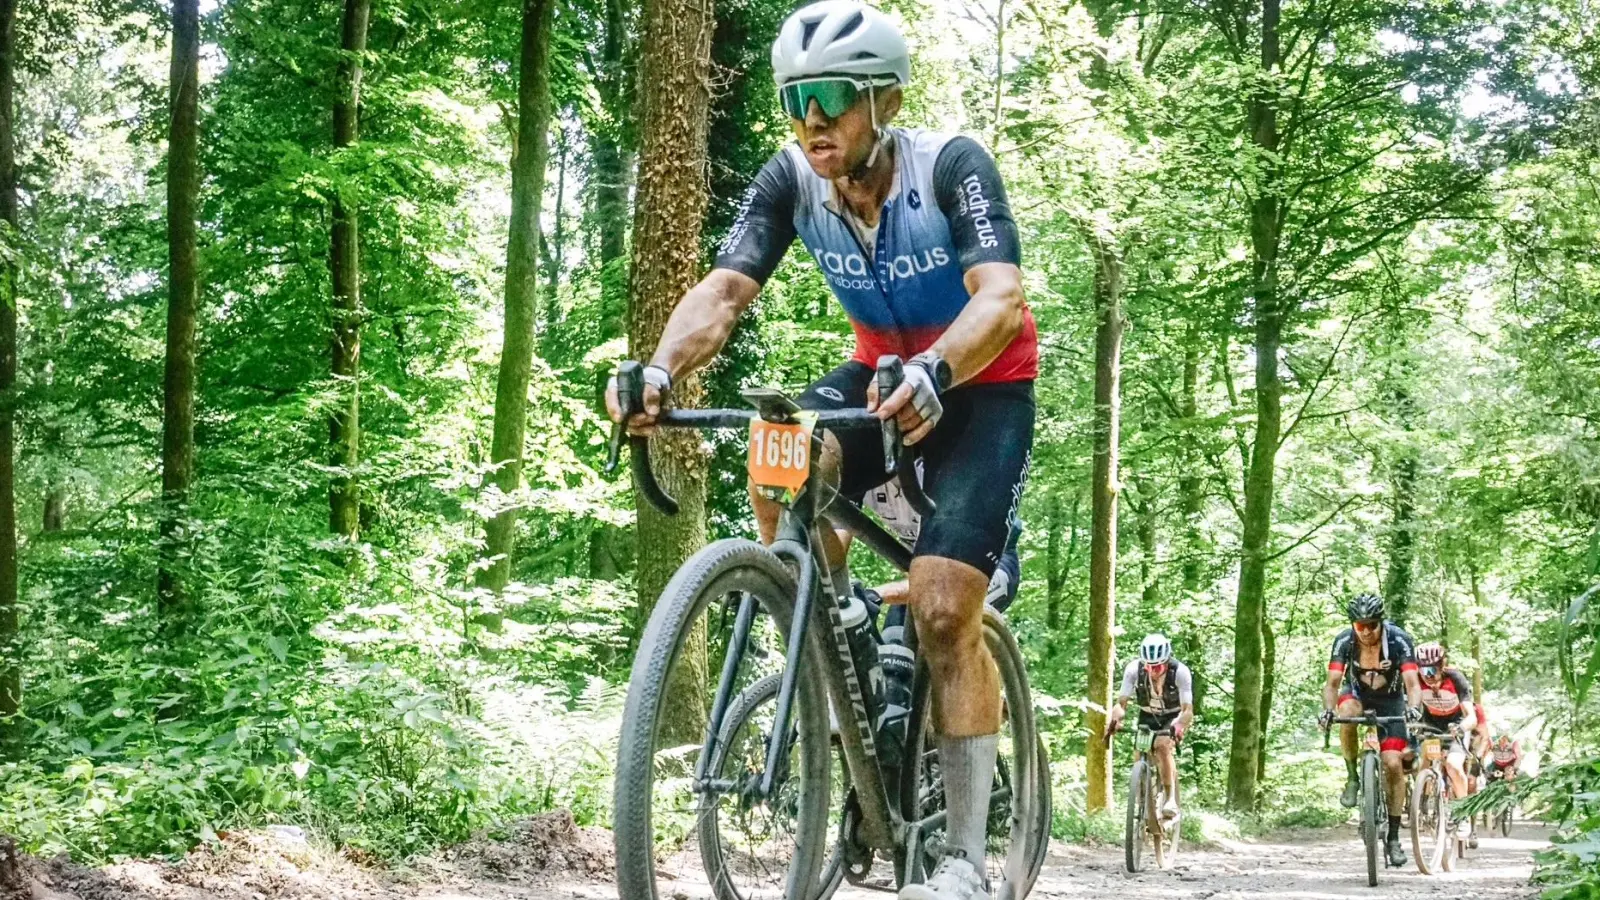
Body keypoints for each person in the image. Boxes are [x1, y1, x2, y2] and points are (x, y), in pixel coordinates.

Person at [606, 1, 1037, 896]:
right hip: (882, 379)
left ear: (883, 99)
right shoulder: (791, 180)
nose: (810, 119)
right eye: (795, 97)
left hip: (982, 387)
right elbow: (724, 292)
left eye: (832, 96)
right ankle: (828, 611)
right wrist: (657, 368)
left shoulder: (951, 167)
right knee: (781, 446)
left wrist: (939, 371)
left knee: (944, 608)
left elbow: (1000, 298)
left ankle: (960, 859)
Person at [1319, 592, 1424, 868]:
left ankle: (1392, 837)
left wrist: (1413, 708)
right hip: (1356, 694)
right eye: (1359, 626)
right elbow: (1332, 683)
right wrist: (1328, 710)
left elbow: (1413, 684)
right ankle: (1353, 776)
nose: (1365, 631)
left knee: (1392, 764)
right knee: (1346, 712)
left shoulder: (1399, 640)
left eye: (1371, 625)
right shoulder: (1344, 641)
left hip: (1391, 700)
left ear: (1381, 622)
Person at [1109, 633, 1194, 822]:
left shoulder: (1180, 672)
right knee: (1140, 752)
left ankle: (1170, 799)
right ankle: (1141, 799)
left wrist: (1180, 724)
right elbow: (1121, 703)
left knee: (1163, 746)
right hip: (1147, 714)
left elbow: (1188, 710)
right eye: (1149, 666)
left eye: (1158, 667)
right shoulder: (1133, 670)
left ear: (1166, 662)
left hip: (1172, 715)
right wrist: (1116, 718)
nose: (1153, 671)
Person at [1414, 641, 1479, 847]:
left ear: (1443, 666)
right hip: (1431, 725)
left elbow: (1472, 717)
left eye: (1433, 668)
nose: (1428, 674)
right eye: (1423, 669)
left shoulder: (1456, 678)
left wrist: (1462, 728)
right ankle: (1423, 802)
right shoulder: (1415, 680)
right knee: (1423, 761)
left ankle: (1463, 814)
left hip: (1456, 726)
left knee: (1453, 764)